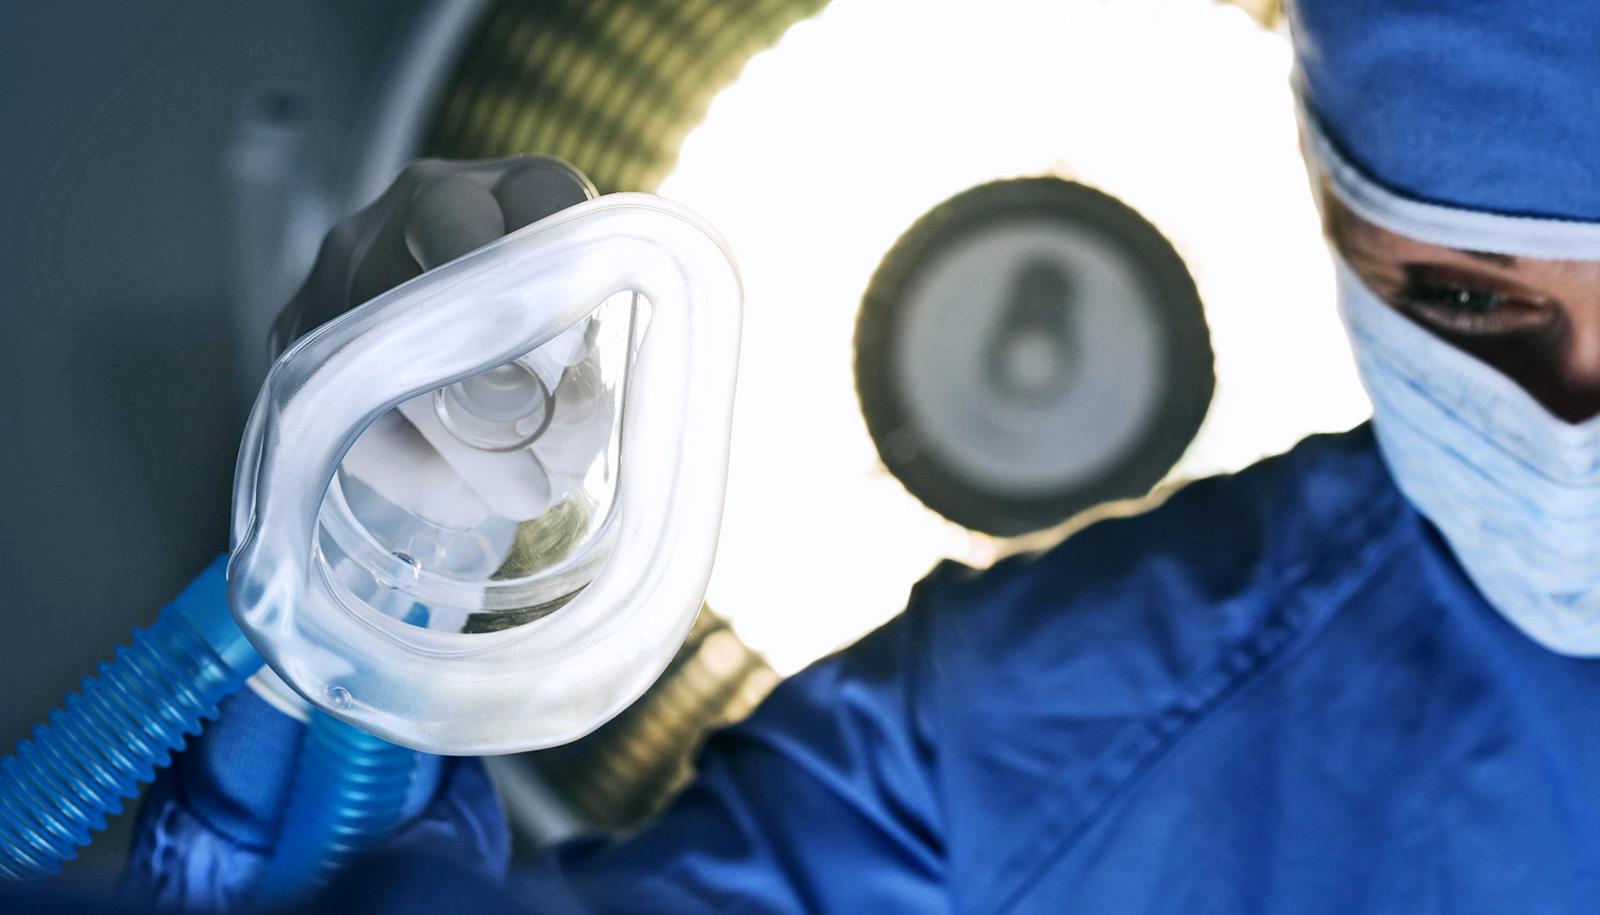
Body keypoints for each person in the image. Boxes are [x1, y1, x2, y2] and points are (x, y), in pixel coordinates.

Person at [118, 0, 1600, 911]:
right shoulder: (1044, 743)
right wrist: (375, 570)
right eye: (1468, 299)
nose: (1574, 422)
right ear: (1333, 228)